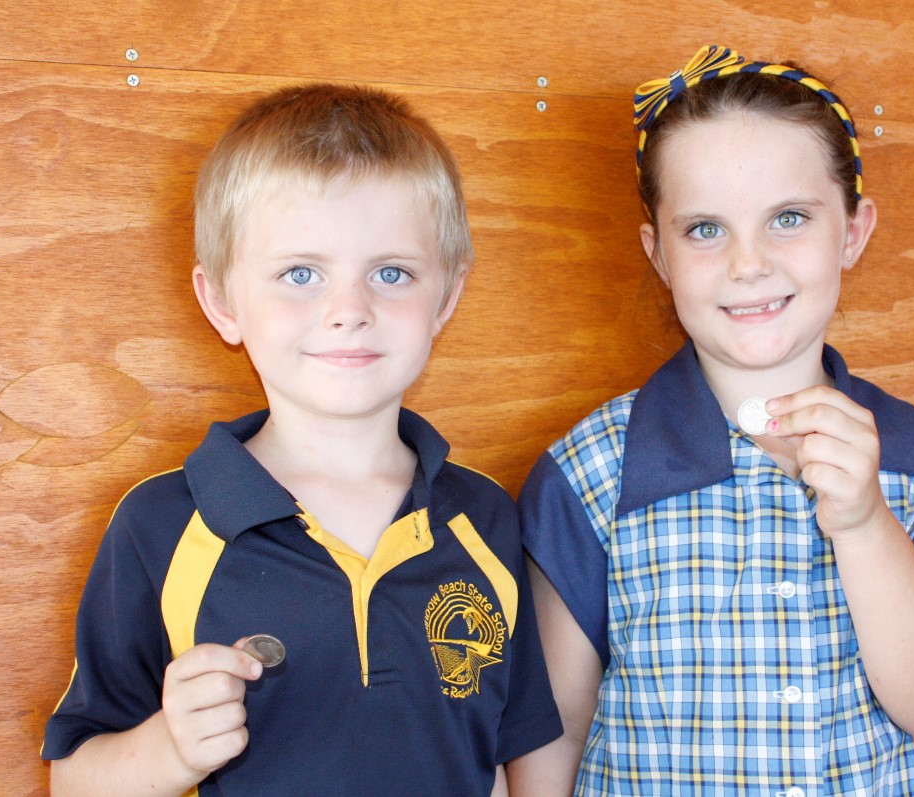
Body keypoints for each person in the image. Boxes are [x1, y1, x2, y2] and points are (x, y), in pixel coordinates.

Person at [509, 45, 914, 796]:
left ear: (852, 231)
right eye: (705, 229)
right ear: (659, 253)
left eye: (789, 218)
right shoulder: (590, 472)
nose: (749, 263)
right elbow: (556, 734)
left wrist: (867, 523)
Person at [42, 83, 562, 797]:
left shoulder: (484, 518)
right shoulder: (160, 526)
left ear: (445, 297)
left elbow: (504, 760)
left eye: (391, 272)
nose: (348, 310)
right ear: (222, 301)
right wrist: (169, 749)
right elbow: (73, 780)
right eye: (300, 273)